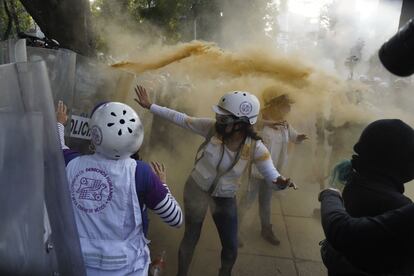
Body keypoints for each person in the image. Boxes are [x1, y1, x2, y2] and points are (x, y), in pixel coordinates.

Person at [134, 85, 297, 276]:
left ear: (242, 123)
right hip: (195, 189)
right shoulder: (212, 128)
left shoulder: (256, 147)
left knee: (231, 246)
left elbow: (271, 174)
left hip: (225, 197)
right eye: (219, 116)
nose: (218, 121)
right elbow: (181, 119)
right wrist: (150, 106)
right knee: (190, 237)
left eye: (223, 118)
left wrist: (281, 182)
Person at [56, 100, 183, 276]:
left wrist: (59, 123)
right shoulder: (141, 172)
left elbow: (56, 148)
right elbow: (175, 218)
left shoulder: (71, 163)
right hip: (124, 269)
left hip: (75, 264)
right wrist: (162, 184)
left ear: (94, 134)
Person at [319, 119, 414, 275]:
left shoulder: (356, 180)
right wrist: (329, 195)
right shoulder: (398, 204)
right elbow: (344, 232)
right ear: (397, 160)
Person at [238, 89, 307, 246]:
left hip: (273, 173)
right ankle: (233, 231)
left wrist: (299, 138)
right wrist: (269, 123)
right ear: (274, 105)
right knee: (246, 201)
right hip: (255, 172)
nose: (288, 110)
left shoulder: (284, 123)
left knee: (266, 202)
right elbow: (249, 127)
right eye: (285, 105)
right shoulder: (258, 119)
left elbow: (293, 137)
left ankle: (266, 229)